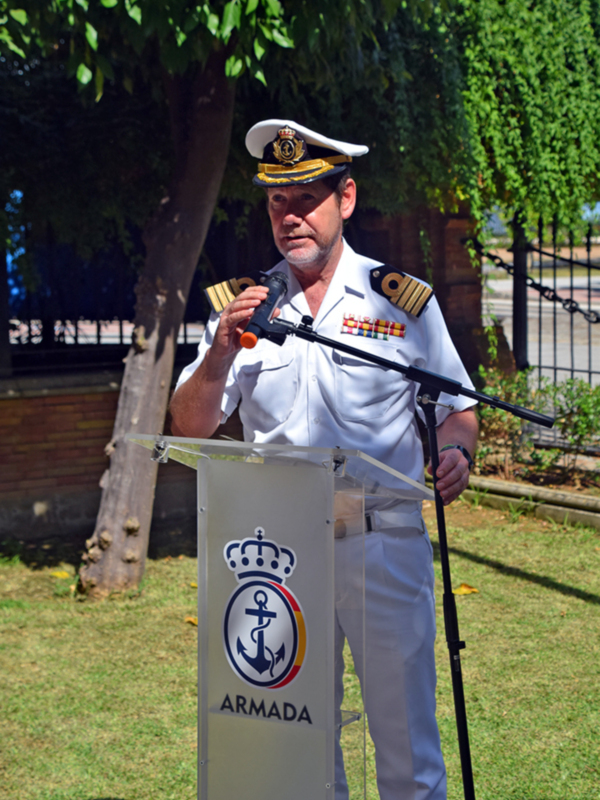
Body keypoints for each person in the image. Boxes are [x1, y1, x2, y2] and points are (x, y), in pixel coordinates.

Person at [169, 119, 478, 800]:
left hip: (383, 545)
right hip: (279, 553)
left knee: (406, 754)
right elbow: (190, 424)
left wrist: (455, 450)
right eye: (279, 202)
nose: (291, 216)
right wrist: (221, 351)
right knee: (297, 754)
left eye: (307, 198)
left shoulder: (401, 302)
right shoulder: (243, 307)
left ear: (346, 199)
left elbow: (457, 408)